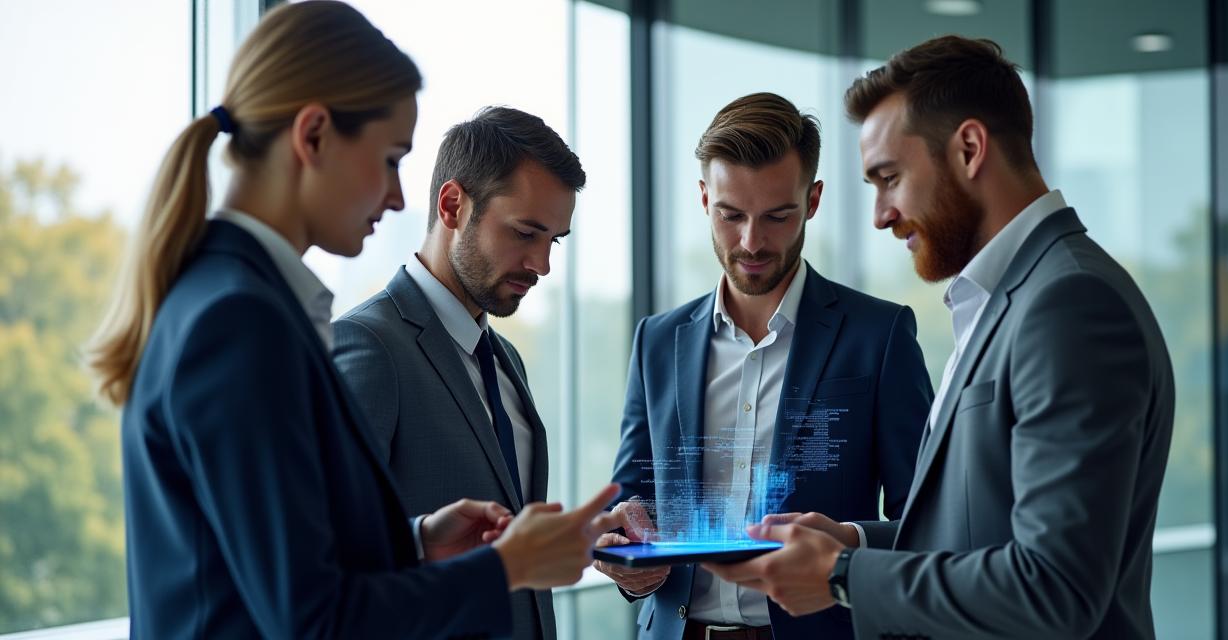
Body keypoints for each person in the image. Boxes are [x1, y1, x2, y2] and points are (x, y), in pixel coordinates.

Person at [86, 3, 616, 637]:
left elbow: (285, 560)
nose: (396, 196)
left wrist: (415, 542)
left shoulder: (229, 301)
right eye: (391, 158)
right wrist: (504, 566)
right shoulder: (241, 322)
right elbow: (313, 621)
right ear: (312, 136)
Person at [704, 36, 1175, 640]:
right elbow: (980, 535)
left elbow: (1056, 587)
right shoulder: (1008, 298)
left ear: (969, 149)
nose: (880, 214)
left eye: (889, 177)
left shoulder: (1068, 304)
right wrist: (851, 540)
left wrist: (843, 575)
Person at [598, 92, 933, 640]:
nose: (752, 242)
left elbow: (928, 521)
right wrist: (625, 557)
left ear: (814, 199)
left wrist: (847, 539)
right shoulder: (657, 341)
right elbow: (631, 497)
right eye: (731, 215)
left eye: (778, 216)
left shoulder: (881, 335)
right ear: (705, 199)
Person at [332, 105, 585, 639]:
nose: (542, 264)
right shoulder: (369, 345)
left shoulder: (505, 359)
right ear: (452, 205)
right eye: (525, 233)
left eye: (553, 241)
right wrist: (423, 536)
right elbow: (328, 550)